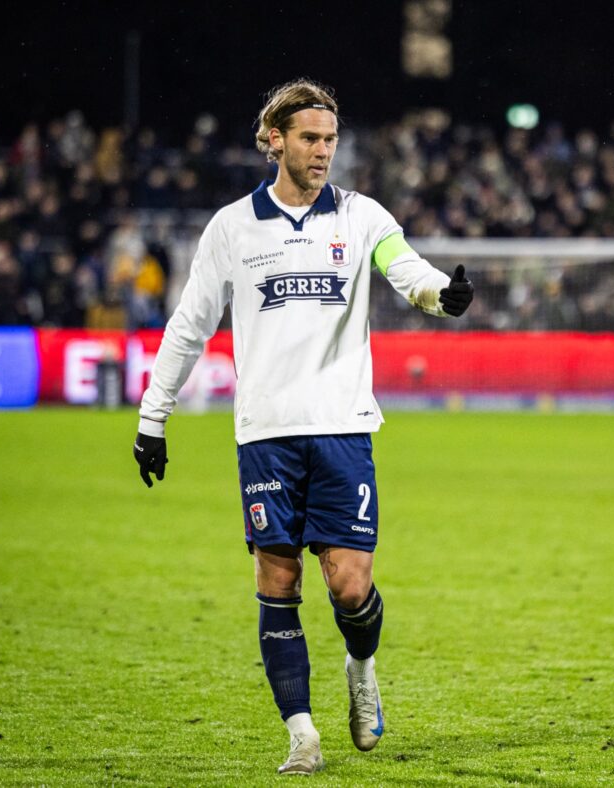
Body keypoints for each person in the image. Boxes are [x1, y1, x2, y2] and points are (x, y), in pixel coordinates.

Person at [131, 79, 474, 775]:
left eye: (331, 140)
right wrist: (153, 417)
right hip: (266, 434)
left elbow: (406, 272)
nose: (324, 152)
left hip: (342, 428)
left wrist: (443, 293)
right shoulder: (232, 228)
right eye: (311, 139)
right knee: (278, 580)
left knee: (349, 586)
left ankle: (362, 668)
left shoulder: (360, 215)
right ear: (275, 140)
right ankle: (302, 734)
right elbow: (189, 327)